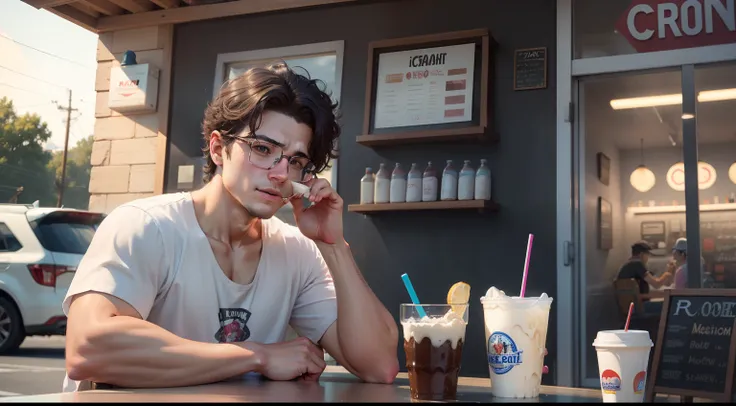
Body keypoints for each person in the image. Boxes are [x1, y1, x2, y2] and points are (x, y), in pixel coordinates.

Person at [62, 62, 399, 391]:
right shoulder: (147, 226)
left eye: (295, 161)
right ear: (218, 148)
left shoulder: (298, 252)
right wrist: (256, 356)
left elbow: (379, 366)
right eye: (263, 149)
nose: (280, 173)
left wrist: (333, 245)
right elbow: (89, 347)